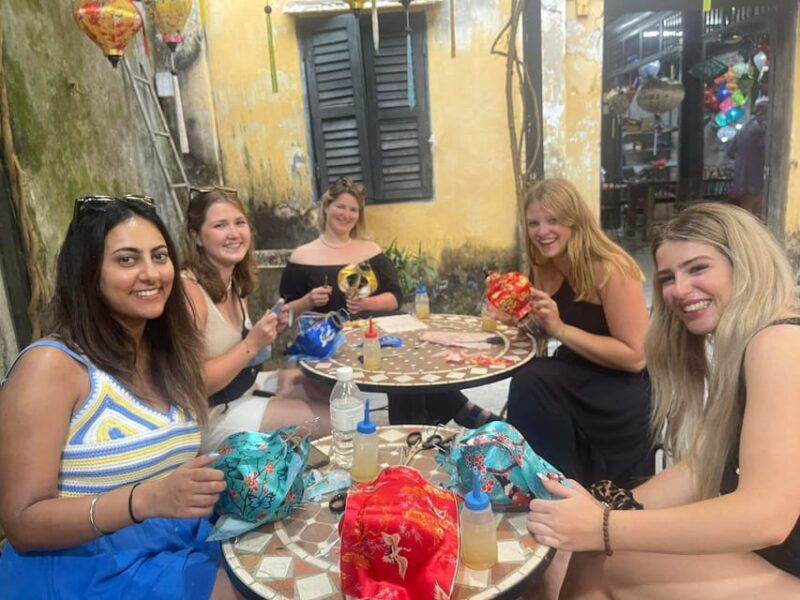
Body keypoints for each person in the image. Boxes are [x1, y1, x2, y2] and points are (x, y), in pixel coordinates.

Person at [528, 203, 800, 598]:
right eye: (668, 277)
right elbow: (702, 465)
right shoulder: (746, 343)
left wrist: (602, 527)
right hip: (776, 554)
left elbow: (767, 516)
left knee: (605, 555)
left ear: (745, 264)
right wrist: (603, 506)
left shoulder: (778, 343)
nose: (679, 290)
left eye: (698, 268)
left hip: (783, 560)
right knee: (589, 550)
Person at [0, 195, 239, 599]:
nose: (151, 273)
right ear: (88, 274)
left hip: (174, 544)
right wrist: (144, 499)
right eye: (127, 260)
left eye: (160, 256)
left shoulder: (166, 354)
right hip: (84, 569)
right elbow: (21, 523)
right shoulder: (51, 367)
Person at [280, 177, 496, 426]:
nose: (346, 214)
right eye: (341, 206)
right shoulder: (303, 255)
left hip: (377, 333)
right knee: (400, 367)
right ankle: (459, 411)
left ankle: (418, 426)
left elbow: (395, 297)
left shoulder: (370, 250)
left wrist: (366, 305)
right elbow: (284, 312)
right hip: (332, 345)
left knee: (411, 358)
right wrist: (307, 301)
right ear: (326, 207)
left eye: (353, 209)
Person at [506, 178, 652, 488]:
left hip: (618, 387)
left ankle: (556, 489)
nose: (542, 231)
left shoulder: (611, 268)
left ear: (575, 221)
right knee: (530, 378)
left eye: (553, 220)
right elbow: (545, 334)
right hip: (573, 369)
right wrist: (522, 321)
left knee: (531, 382)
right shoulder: (543, 265)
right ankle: (544, 482)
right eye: (534, 223)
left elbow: (636, 357)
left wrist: (560, 328)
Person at [182, 186, 331, 453]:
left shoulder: (234, 283)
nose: (233, 233)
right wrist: (252, 343)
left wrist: (275, 324)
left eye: (239, 223)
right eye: (220, 225)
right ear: (196, 237)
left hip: (248, 388)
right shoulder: (189, 292)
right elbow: (194, 384)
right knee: (337, 421)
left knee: (334, 391)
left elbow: (243, 352)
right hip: (212, 415)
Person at [727, 96, 768, 216]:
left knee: (746, 214)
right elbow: (765, 153)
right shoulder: (766, 127)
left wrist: (743, 159)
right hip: (757, 180)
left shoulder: (745, 127)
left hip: (741, 181)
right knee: (755, 215)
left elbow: (730, 152)